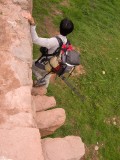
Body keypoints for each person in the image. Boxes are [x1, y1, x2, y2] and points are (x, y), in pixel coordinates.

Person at [22, 12, 74, 88]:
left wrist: (32, 23)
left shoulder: (53, 41)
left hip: (45, 64)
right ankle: (44, 85)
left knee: (29, 65)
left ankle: (40, 79)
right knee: (48, 74)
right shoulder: (67, 43)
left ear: (59, 27)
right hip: (55, 66)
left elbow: (35, 39)